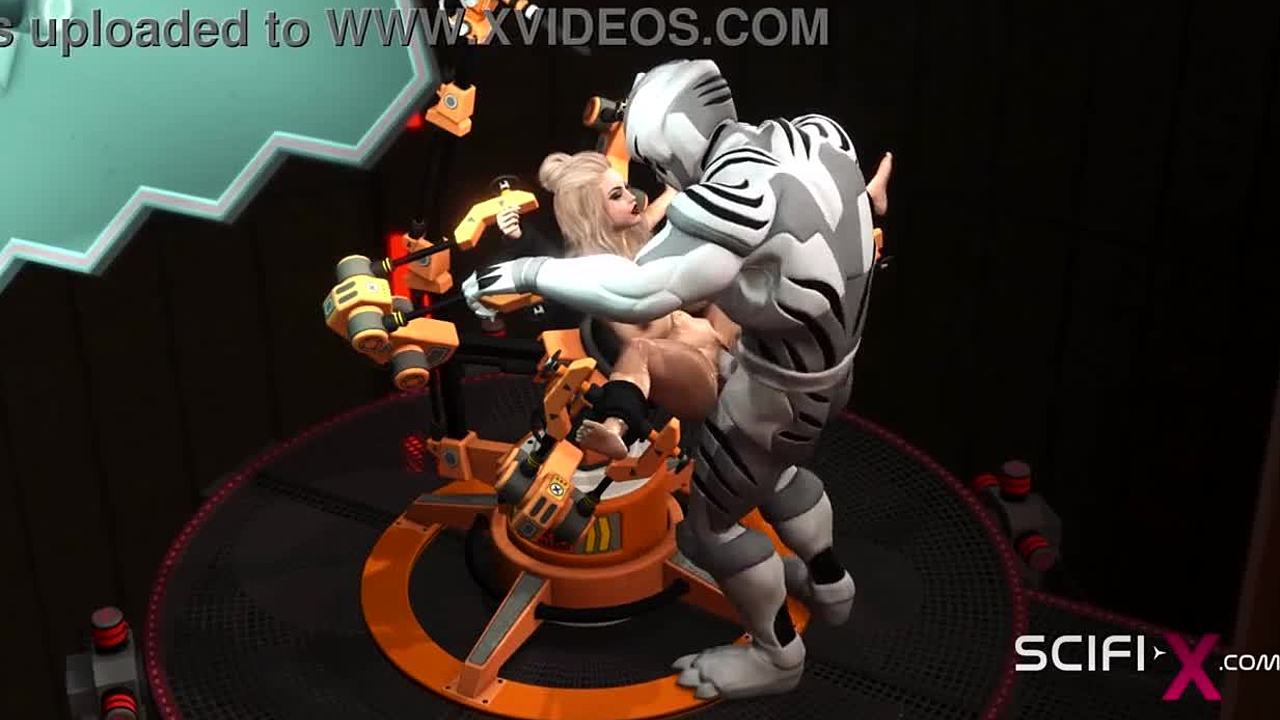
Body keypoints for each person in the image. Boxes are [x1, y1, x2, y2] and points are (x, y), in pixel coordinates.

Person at [463, 59, 884, 700]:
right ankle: (830, 582)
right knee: (778, 473)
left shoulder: (735, 195)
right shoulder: (816, 136)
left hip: (771, 392)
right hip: (825, 372)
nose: (655, 186)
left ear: (667, 148)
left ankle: (778, 658)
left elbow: (640, 291)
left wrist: (524, 274)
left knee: (708, 527)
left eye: (656, 168)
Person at [496, 150, 740, 459]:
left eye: (625, 189)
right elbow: (549, 274)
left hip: (716, 342)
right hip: (691, 372)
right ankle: (614, 427)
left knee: (734, 278)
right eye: (616, 195)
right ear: (592, 213)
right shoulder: (590, 271)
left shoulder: (630, 238)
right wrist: (519, 239)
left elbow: (660, 207)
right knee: (641, 351)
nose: (631, 198)